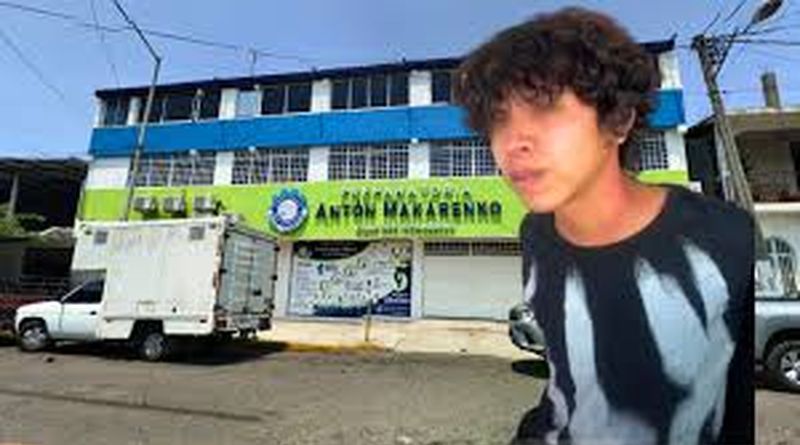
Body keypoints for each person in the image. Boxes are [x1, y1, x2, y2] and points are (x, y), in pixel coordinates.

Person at [454, 7, 754, 445]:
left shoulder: (726, 236)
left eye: (545, 110)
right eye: (499, 119)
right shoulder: (535, 234)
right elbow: (568, 380)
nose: (513, 143)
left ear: (618, 120)